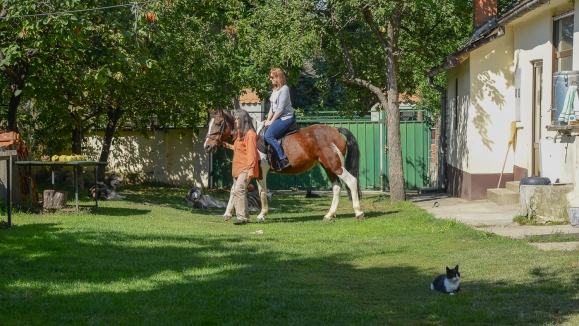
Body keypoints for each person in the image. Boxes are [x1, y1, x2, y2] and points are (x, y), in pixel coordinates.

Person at [222, 109, 259, 225]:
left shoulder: (250, 135)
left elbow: (251, 153)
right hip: (237, 167)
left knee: (239, 190)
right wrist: (228, 146)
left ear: (243, 120)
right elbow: (240, 149)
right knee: (239, 191)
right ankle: (245, 217)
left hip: (246, 167)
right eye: (235, 118)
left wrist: (251, 169)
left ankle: (241, 217)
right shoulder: (240, 135)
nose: (236, 121)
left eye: (238, 119)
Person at [264, 67, 295, 171]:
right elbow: (272, 108)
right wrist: (267, 120)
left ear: (278, 77)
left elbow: (280, 110)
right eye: (270, 77)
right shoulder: (274, 90)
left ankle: (283, 159)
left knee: (268, 135)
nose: (270, 79)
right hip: (277, 117)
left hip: (285, 118)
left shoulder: (284, 89)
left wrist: (271, 121)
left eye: (272, 77)